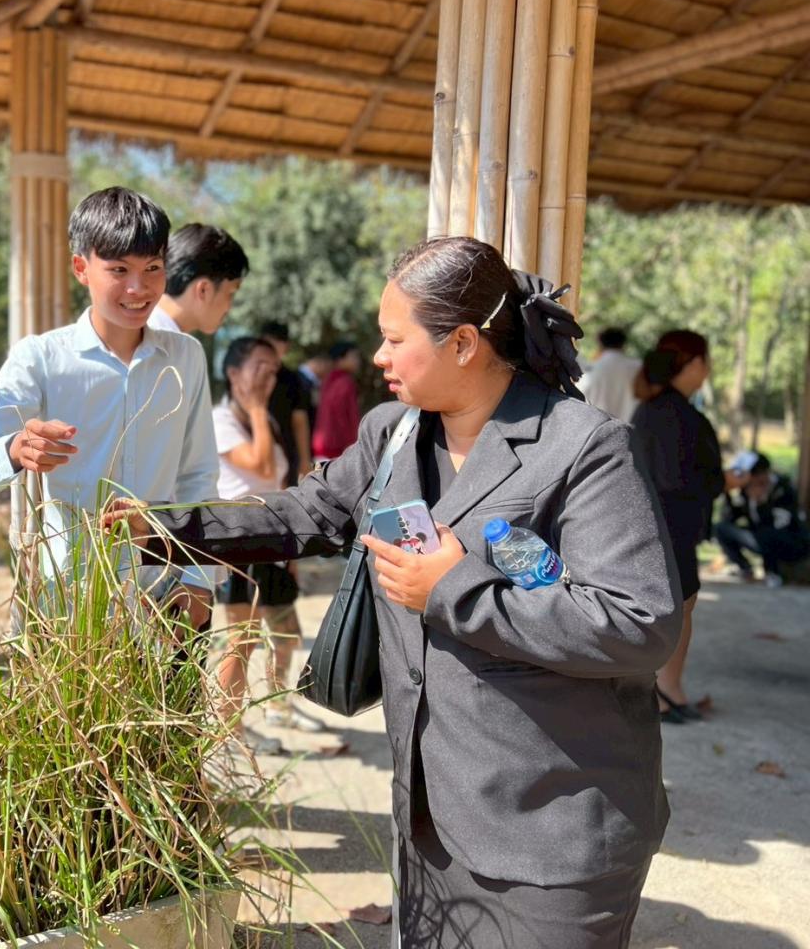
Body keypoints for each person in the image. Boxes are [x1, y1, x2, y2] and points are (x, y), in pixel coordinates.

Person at [111, 236, 682, 949]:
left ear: (464, 343)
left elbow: (637, 624)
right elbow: (301, 514)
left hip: (554, 832)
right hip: (430, 822)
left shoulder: (583, 447)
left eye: (395, 339)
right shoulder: (394, 435)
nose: (378, 356)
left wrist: (454, 589)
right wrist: (161, 528)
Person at [0, 187, 218, 627]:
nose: (138, 288)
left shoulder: (186, 357)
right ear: (81, 268)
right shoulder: (39, 358)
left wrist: (199, 578)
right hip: (66, 610)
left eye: (152, 268)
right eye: (119, 270)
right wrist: (15, 450)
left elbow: (198, 475)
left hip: (164, 599)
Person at [212, 337, 323, 755]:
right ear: (233, 373)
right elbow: (258, 465)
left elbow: (278, 480)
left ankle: (278, 707)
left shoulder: (265, 421)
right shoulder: (221, 420)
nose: (268, 376)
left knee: (285, 633)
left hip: (272, 544)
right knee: (241, 642)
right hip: (238, 545)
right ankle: (228, 730)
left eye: (274, 370)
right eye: (260, 366)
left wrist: (289, 550)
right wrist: (258, 408)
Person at [630, 330, 725, 724]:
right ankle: (662, 690)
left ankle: (670, 688)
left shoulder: (663, 409)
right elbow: (673, 478)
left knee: (683, 605)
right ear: (693, 363)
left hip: (670, 522)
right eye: (705, 361)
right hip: (669, 523)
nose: (708, 369)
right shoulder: (671, 413)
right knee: (677, 607)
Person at [716, 450, 809, 587]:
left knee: (768, 535)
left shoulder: (783, 488)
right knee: (721, 528)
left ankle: (773, 572)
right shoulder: (745, 491)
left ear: (762, 473)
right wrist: (729, 496)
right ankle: (745, 569)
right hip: (759, 538)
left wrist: (761, 504)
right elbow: (731, 518)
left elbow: (779, 528)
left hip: (790, 542)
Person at [147, 222, 249, 335]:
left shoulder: (145, 331)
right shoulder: (155, 339)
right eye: (231, 293)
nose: (229, 307)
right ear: (203, 290)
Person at [258, 321, 314, 484]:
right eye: (267, 342)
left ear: (286, 346)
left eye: (278, 342)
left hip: (286, 450)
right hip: (251, 448)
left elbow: (300, 421)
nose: (272, 347)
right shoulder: (248, 375)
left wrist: (305, 460)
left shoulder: (293, 379)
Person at [577, 326, 641, 422]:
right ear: (623, 344)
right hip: (634, 427)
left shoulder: (590, 370)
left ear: (600, 344)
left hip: (600, 427)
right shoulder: (639, 368)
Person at [311, 340, 362, 461]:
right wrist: (353, 445)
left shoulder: (327, 379)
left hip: (321, 445)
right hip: (338, 449)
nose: (357, 361)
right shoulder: (345, 382)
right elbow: (346, 417)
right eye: (353, 357)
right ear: (340, 360)